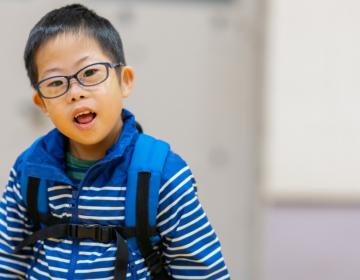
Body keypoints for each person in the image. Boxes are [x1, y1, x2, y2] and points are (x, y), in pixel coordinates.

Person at [0, 4, 230, 280]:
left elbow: (201, 273)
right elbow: (8, 260)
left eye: (89, 73)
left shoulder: (161, 174)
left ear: (125, 81)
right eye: (55, 83)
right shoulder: (29, 169)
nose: (75, 93)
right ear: (41, 104)